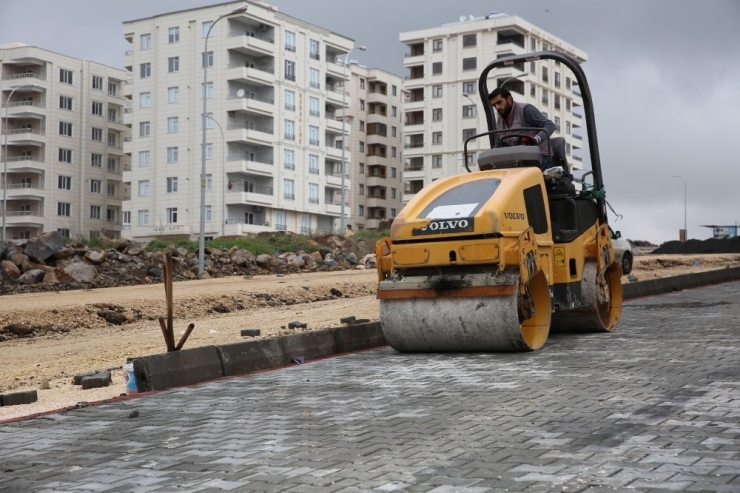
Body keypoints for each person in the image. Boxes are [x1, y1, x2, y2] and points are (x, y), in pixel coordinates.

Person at [489, 87, 556, 170]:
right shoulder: (500, 120)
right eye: (494, 105)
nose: (497, 107)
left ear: (509, 99)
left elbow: (550, 125)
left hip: (539, 157)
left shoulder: (525, 110)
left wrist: (535, 139)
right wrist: (489, 158)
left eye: (499, 102)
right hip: (516, 160)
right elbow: (499, 143)